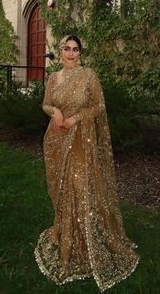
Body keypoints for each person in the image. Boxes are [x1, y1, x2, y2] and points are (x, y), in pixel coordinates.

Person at [34, 35, 140, 292]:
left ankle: (87, 240)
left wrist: (77, 118)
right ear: (60, 51)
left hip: (81, 140)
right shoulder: (53, 78)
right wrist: (55, 112)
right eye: (67, 49)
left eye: (75, 49)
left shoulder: (89, 76)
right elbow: (46, 103)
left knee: (81, 188)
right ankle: (66, 233)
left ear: (80, 52)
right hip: (56, 140)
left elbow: (98, 106)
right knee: (61, 191)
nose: (71, 53)